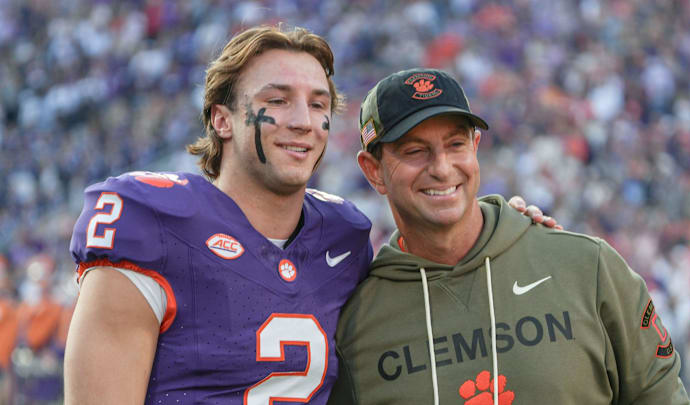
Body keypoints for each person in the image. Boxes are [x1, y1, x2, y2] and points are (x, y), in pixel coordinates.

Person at [63, 26, 551, 404]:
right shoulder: (152, 221)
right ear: (221, 118)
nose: (301, 120)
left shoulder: (344, 235)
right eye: (276, 101)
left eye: (317, 104)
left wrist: (501, 227)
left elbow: (438, 275)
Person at [328, 68, 690, 405]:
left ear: (476, 147)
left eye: (456, 144)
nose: (441, 168)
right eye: (415, 151)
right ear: (373, 171)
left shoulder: (588, 269)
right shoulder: (357, 323)